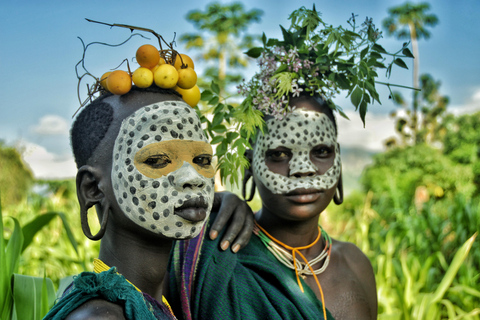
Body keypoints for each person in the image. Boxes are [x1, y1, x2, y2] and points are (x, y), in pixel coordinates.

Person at [43, 86, 253, 320]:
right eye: (157, 160)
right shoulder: (101, 317)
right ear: (92, 189)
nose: (193, 177)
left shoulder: (156, 304)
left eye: (201, 159)